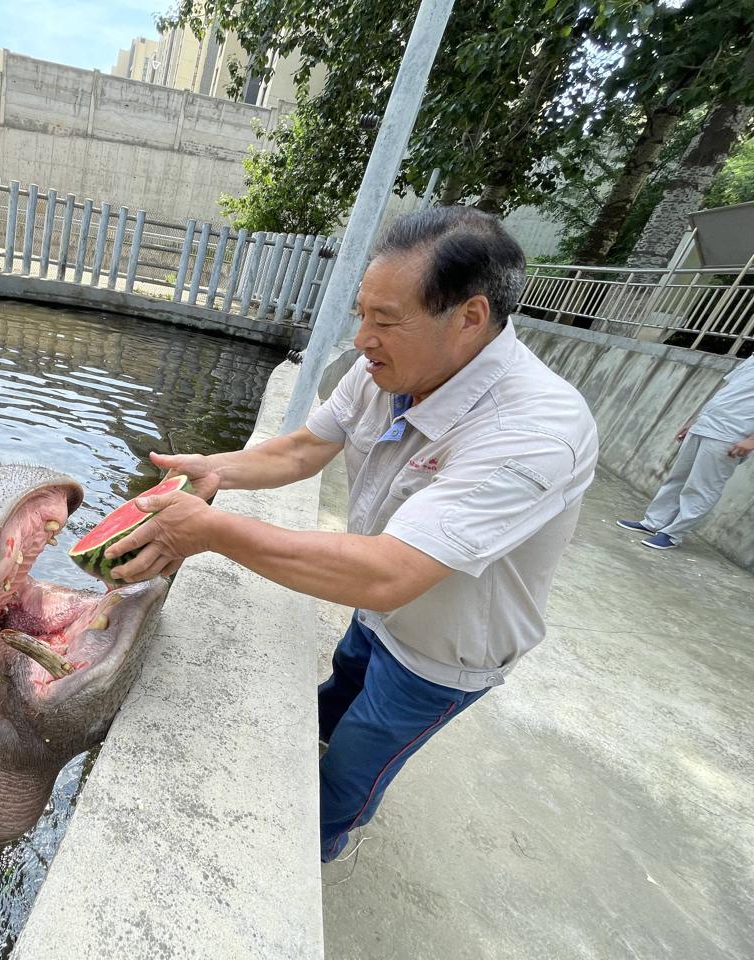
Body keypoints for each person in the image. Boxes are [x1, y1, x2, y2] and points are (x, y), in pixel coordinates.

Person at [104, 207, 598, 864]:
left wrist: (211, 532)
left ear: (471, 318)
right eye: (362, 314)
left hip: (440, 655)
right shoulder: (387, 372)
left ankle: (315, 848)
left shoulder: (534, 433)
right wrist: (214, 470)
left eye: (386, 320)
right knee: (337, 694)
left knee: (352, 772)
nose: (362, 338)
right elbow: (303, 449)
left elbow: (393, 571)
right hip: (375, 612)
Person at [616, 353, 754, 550]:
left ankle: (672, 535)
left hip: (731, 434)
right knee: (677, 478)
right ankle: (654, 522)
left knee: (703, 487)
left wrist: (752, 439)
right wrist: (695, 420)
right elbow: (726, 392)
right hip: (706, 424)